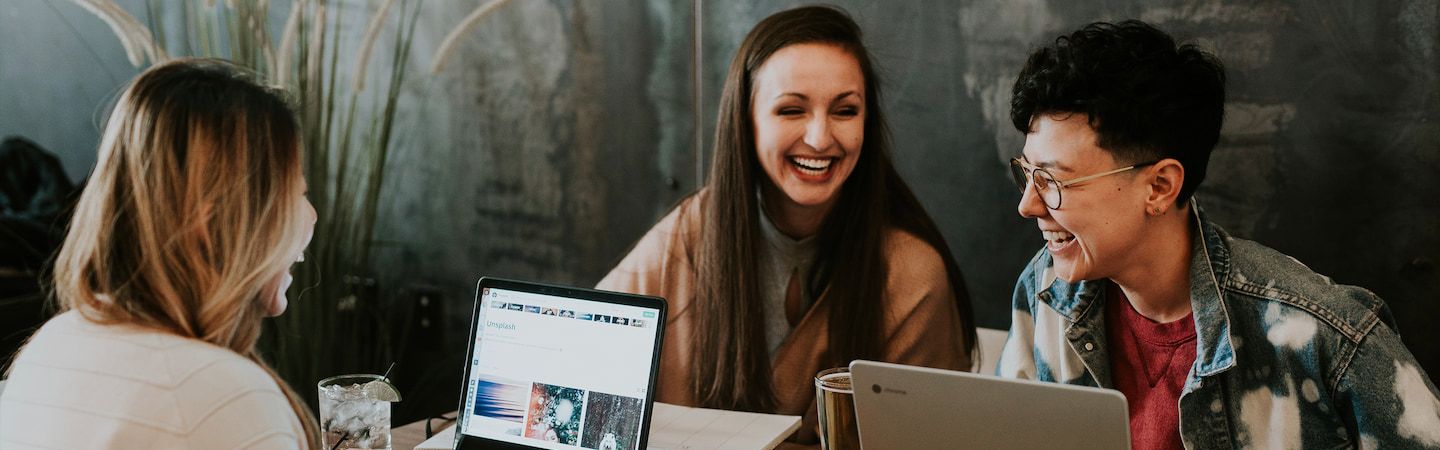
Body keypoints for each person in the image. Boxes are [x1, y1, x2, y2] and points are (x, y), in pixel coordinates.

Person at [995, 20, 1440, 449]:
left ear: (1160, 186)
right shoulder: (1045, 289)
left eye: (1054, 182)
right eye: (1027, 173)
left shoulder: (1323, 336)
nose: (1028, 205)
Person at [598, 5, 975, 444]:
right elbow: (580, 359)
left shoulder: (912, 275)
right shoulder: (687, 235)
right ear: (747, 121)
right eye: (792, 110)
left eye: (845, 111)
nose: (819, 138)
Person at [0, 59, 320, 449]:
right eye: (297, 194)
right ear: (214, 222)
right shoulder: (223, 401)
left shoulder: (48, 349)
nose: (311, 215)